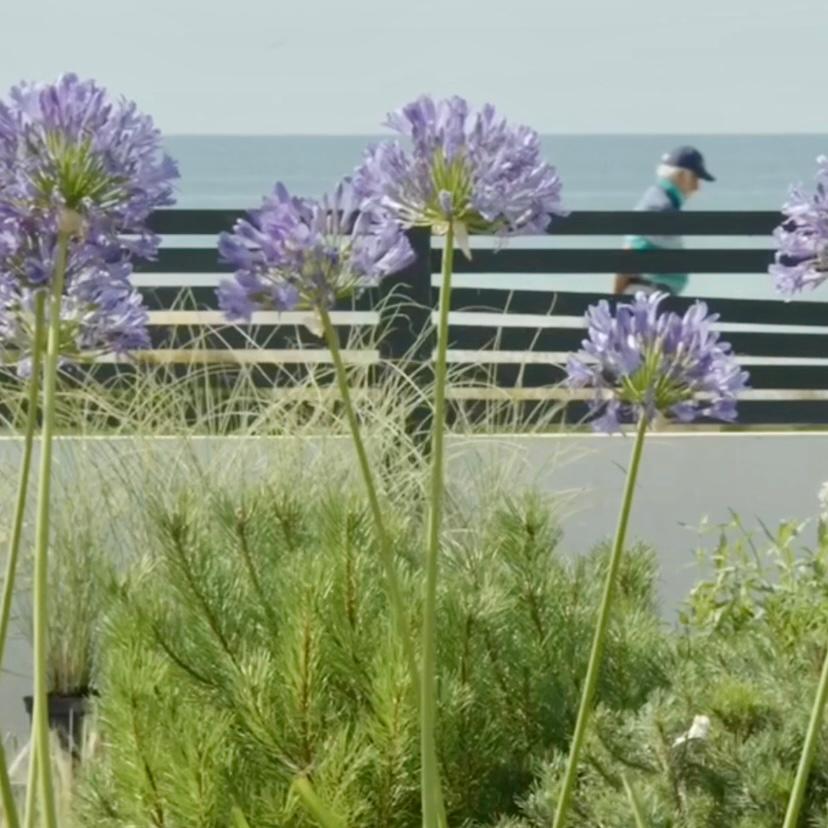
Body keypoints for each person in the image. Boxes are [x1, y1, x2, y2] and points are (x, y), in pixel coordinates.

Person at [614, 146, 715, 295]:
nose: (697, 187)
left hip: (650, 293)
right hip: (649, 297)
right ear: (681, 176)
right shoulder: (662, 209)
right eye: (695, 178)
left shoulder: (655, 198)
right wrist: (615, 300)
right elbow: (629, 257)